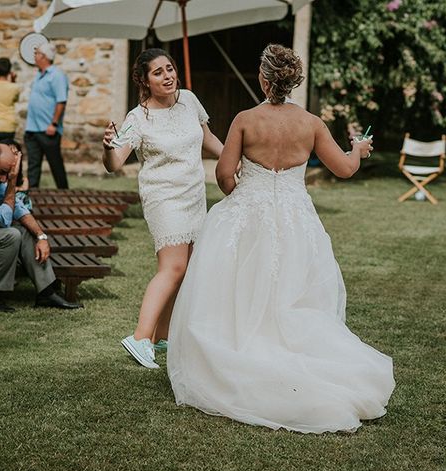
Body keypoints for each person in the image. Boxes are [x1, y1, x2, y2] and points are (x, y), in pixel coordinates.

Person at [166, 44, 395, 434]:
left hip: (247, 215)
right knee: (290, 288)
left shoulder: (245, 120)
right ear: (290, 82)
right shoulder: (312, 124)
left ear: (264, 78)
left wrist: (238, 192)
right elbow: (344, 169)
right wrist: (358, 149)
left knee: (239, 285)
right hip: (294, 219)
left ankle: (240, 352)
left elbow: (223, 174)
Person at [101, 48, 223, 369]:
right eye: (158, 72)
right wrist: (107, 147)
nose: (168, 76)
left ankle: (163, 336)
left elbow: (208, 139)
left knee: (187, 269)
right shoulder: (137, 118)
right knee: (172, 268)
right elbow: (115, 162)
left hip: (194, 195)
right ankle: (141, 337)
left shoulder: (190, 101)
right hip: (163, 198)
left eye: (169, 69)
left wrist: (233, 160)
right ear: (144, 80)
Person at [0, 143, 83, 312]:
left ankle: (46, 292)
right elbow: (3, 220)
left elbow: (19, 209)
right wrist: (13, 180)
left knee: (24, 231)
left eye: (8, 174)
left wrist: (41, 237)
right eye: (2, 173)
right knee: (10, 235)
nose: (4, 179)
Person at [24, 42, 70, 189]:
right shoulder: (38, 75)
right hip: (32, 129)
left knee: (55, 166)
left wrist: (54, 124)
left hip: (48, 129)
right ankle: (30, 199)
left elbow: (61, 101)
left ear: (44, 57)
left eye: (36, 53)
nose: (34, 55)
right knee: (33, 167)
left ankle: (65, 195)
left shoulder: (57, 75)